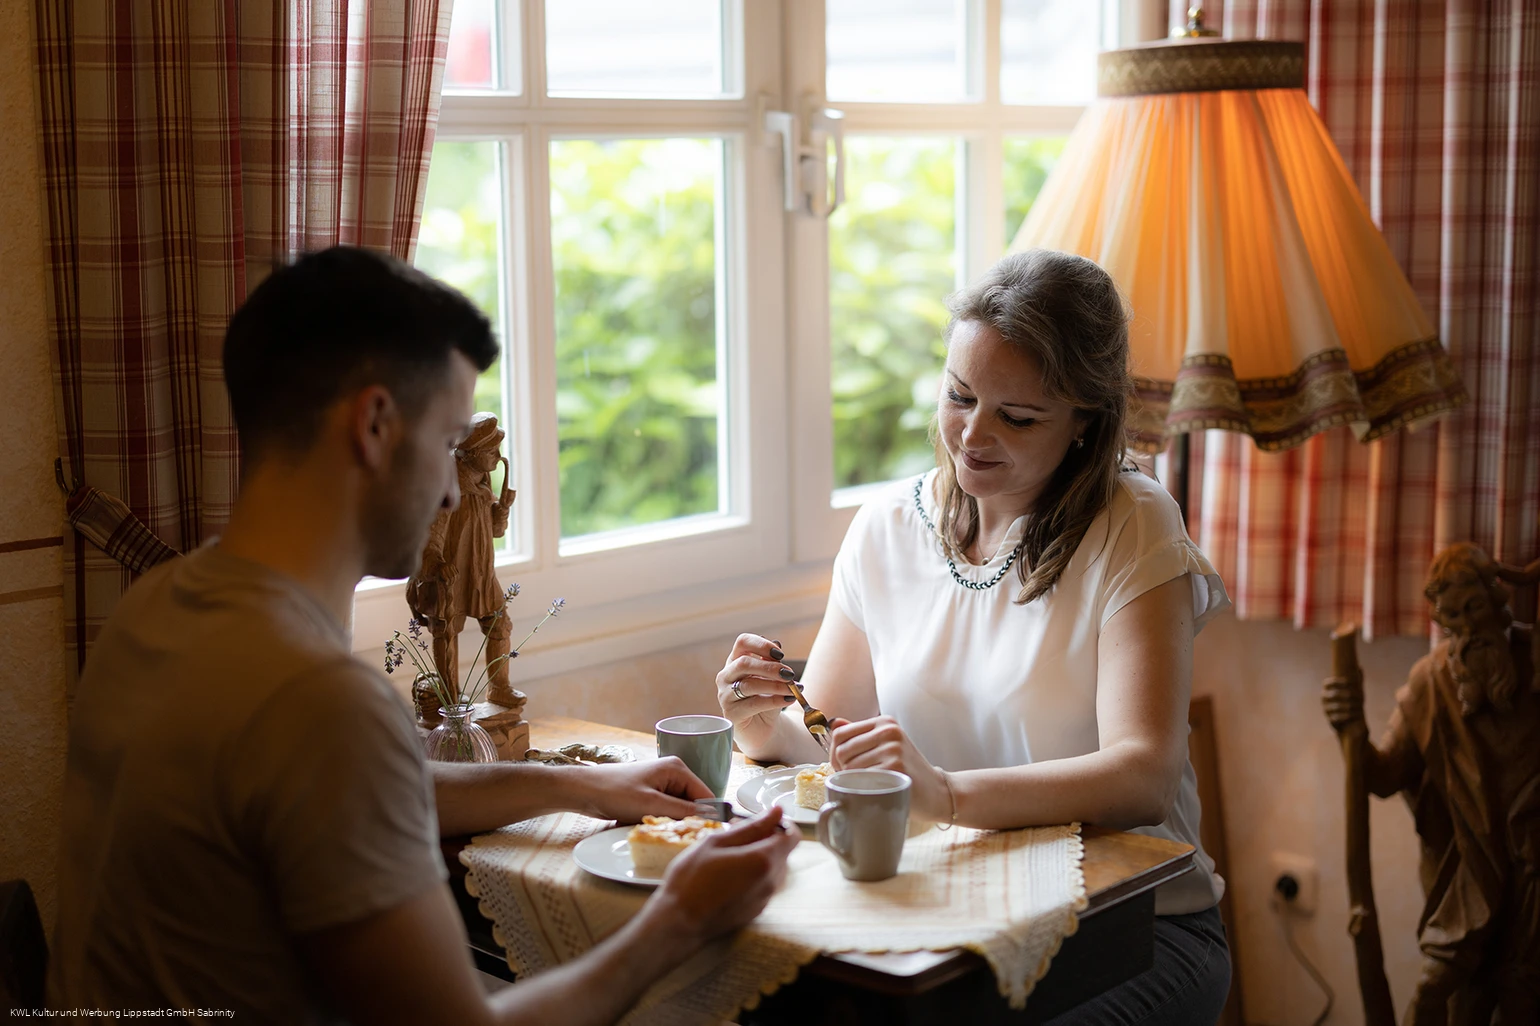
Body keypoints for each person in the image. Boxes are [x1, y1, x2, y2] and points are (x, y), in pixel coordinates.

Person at [49, 246, 798, 1024]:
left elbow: (359, 789)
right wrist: (679, 918)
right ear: (374, 425)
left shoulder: (153, 606)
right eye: (447, 445)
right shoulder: (317, 700)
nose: (451, 490)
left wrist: (580, 785)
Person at [717, 249, 1233, 1023]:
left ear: (1086, 424)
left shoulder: (1133, 524)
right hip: (957, 913)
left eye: (1017, 417)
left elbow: (1143, 778)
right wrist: (762, 724)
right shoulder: (885, 529)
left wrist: (947, 794)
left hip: (1139, 929)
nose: (972, 436)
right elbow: (835, 742)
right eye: (959, 397)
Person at [1324, 543, 1539, 1023]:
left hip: (1531, 881)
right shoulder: (1432, 683)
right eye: (1451, 618)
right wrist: (1351, 729)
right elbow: (1382, 777)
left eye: (1474, 608)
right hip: (1467, 882)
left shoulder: (1535, 669)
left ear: (1498, 601)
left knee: (1523, 1002)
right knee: (1440, 998)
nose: (1467, 630)